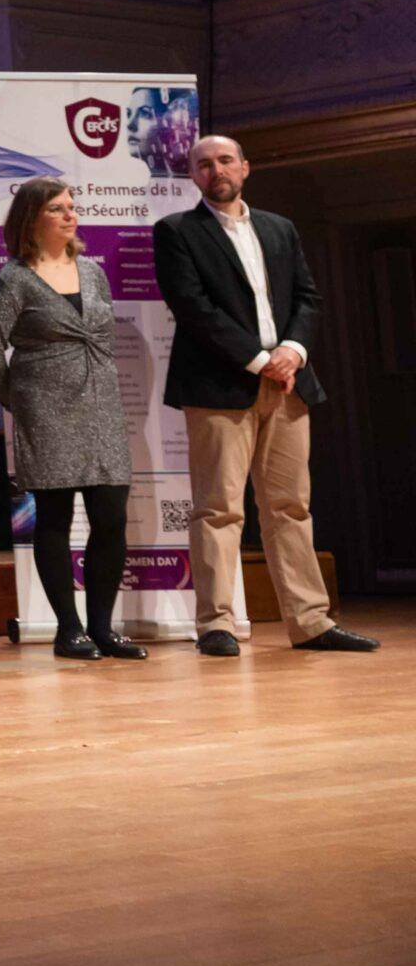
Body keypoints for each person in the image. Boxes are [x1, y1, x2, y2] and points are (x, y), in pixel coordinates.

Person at [155, 135, 377, 655]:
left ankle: (311, 622)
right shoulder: (176, 231)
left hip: (289, 384)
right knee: (218, 508)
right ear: (193, 176)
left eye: (224, 160)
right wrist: (260, 360)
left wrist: (293, 351)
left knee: (290, 507)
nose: (216, 170)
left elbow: (306, 297)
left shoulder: (280, 228)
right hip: (218, 386)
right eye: (203, 164)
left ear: (245, 168)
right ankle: (216, 624)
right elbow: (192, 307)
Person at [0, 180, 144, 661]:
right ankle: (68, 630)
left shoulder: (92, 271)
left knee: (110, 517)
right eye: (57, 209)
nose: (71, 215)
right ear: (32, 218)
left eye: (72, 207)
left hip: (102, 406)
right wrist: (20, 400)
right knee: (55, 517)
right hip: (46, 409)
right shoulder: (13, 280)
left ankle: (103, 627)